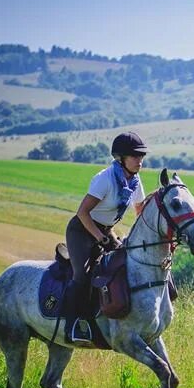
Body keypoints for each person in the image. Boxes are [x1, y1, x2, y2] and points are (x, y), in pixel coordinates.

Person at [64, 131, 148, 344]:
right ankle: (73, 324)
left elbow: (140, 210)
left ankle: (113, 317)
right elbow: (82, 213)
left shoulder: (135, 182)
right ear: (121, 158)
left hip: (106, 230)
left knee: (123, 265)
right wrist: (99, 237)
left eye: (141, 157)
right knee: (82, 276)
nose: (140, 161)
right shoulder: (105, 179)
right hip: (82, 230)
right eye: (135, 156)